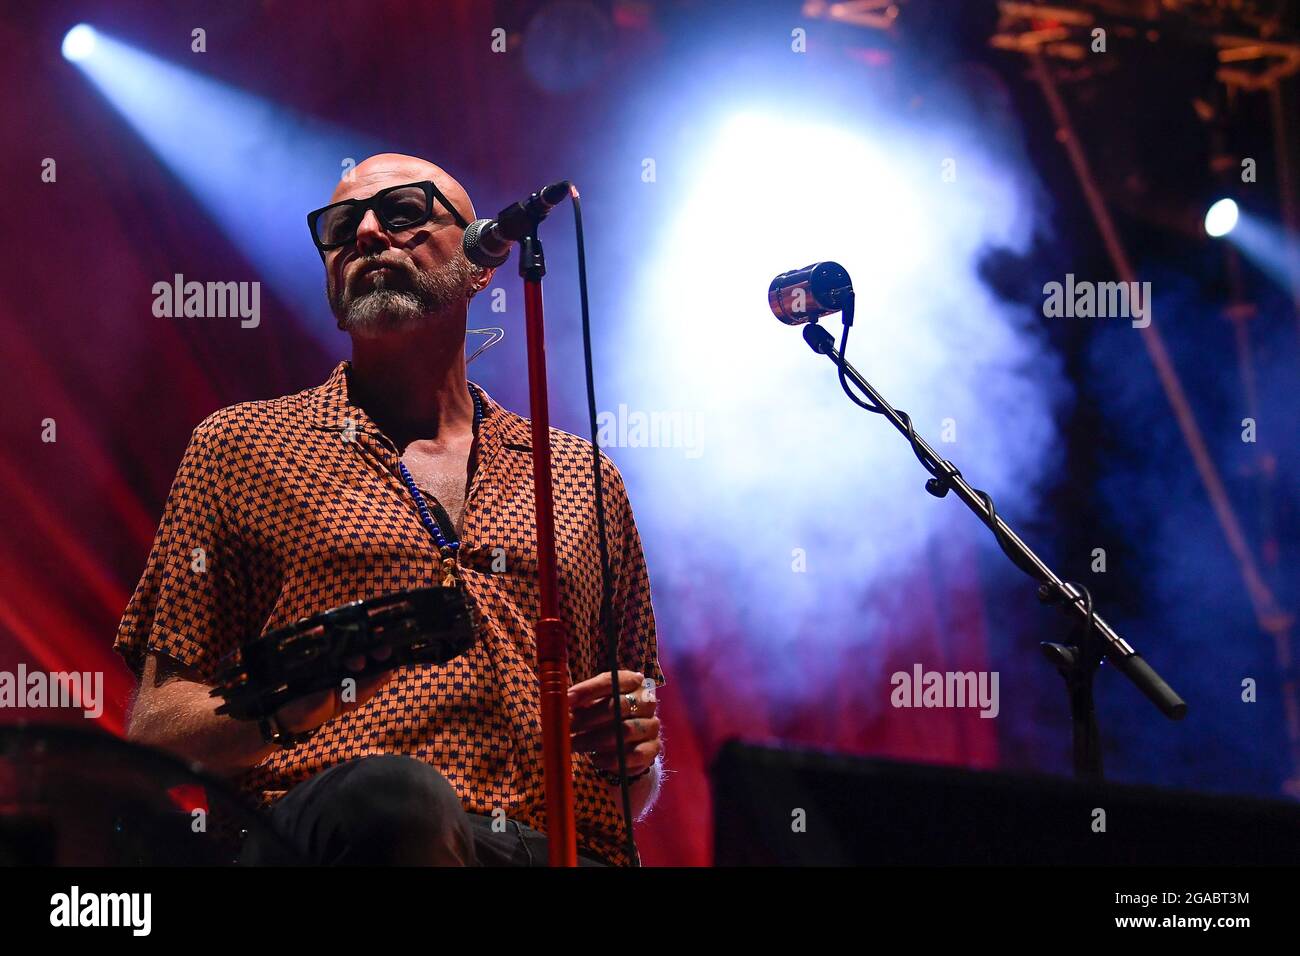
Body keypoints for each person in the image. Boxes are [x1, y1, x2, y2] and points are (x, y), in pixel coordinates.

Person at [114, 153, 664, 866]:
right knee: (398, 800)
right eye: (341, 226)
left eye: (403, 213)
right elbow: (156, 731)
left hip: (552, 848)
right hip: (326, 836)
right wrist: (288, 701)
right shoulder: (243, 446)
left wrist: (634, 758)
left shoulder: (579, 476)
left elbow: (635, 778)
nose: (366, 233)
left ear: (482, 262)